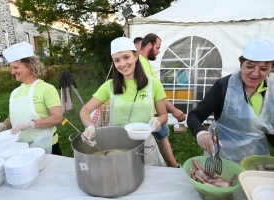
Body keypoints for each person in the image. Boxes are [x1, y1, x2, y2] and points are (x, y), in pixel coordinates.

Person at [80, 37, 168, 167]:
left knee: (149, 180)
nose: (122, 64)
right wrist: (90, 126)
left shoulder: (153, 84)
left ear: (136, 56)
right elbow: (85, 110)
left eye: (126, 57)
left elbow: (163, 114)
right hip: (118, 144)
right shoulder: (109, 86)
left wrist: (158, 121)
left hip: (145, 144)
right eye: (117, 60)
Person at [187, 35, 274, 164]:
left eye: (263, 69)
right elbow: (195, 115)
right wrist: (201, 133)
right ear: (241, 62)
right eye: (249, 66)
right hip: (222, 154)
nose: (255, 73)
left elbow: (270, 127)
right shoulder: (224, 86)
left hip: (254, 155)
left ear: (272, 68)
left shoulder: (271, 90)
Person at [0, 42, 63, 155]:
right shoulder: (15, 92)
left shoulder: (47, 89)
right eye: (12, 68)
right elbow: (13, 119)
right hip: (20, 148)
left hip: (46, 146)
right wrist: (2, 126)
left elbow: (57, 118)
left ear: (29, 65)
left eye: (16, 67)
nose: (12, 72)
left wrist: (30, 124)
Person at [139, 33, 185, 168]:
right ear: (149, 45)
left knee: (162, 137)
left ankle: (172, 165)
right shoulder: (142, 64)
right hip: (152, 112)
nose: (159, 52)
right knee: (161, 138)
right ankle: (173, 166)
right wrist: (174, 110)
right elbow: (154, 95)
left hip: (153, 110)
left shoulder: (143, 63)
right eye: (157, 48)